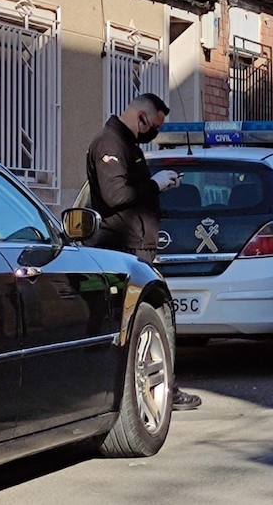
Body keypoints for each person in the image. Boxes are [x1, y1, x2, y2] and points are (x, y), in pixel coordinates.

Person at [85, 93, 203, 410]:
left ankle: (161, 385)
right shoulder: (110, 143)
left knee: (153, 319)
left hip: (139, 245)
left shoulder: (130, 145)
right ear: (141, 116)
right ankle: (156, 389)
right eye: (154, 126)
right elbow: (114, 195)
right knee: (142, 321)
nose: (155, 133)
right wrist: (155, 184)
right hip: (123, 248)